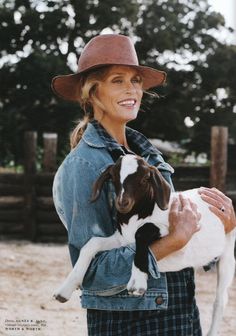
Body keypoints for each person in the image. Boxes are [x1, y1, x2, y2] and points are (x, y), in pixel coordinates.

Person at [51, 34, 236, 336]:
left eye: (136, 80)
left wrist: (221, 225)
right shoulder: (83, 166)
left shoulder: (151, 158)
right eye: (118, 80)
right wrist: (171, 242)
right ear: (92, 93)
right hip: (131, 324)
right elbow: (93, 275)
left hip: (181, 312)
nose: (132, 89)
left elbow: (178, 236)